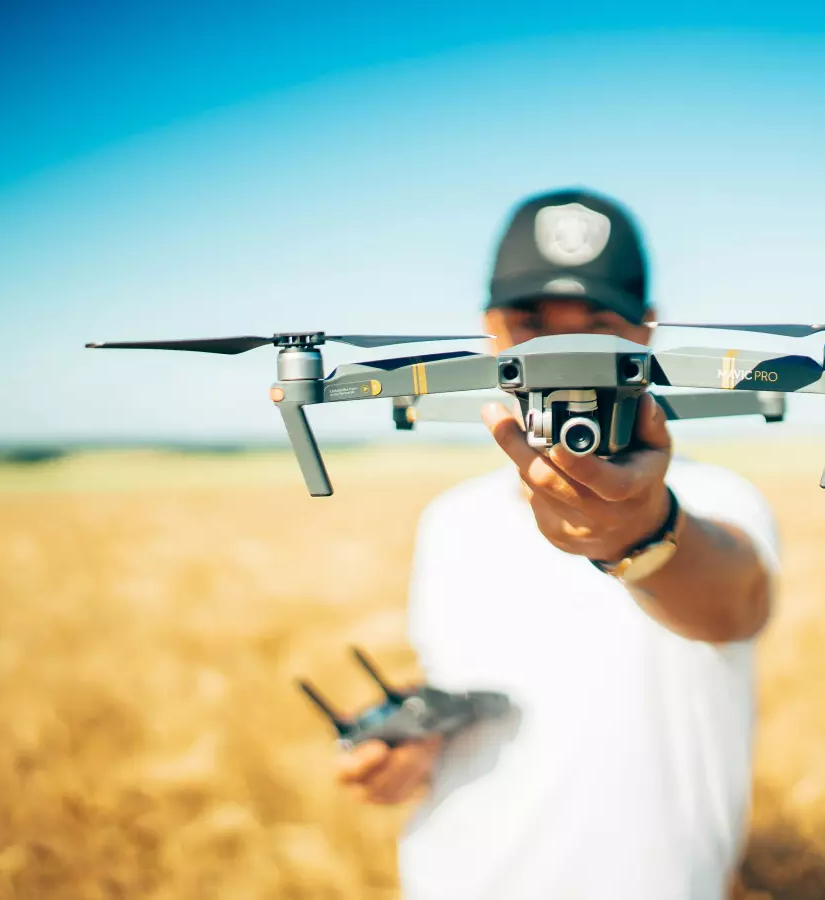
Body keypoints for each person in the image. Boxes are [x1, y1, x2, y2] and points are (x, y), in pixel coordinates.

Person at [334, 187, 781, 900]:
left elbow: (731, 604)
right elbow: (481, 677)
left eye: (595, 328)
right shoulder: (449, 521)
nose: (563, 355)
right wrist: (411, 741)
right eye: (532, 325)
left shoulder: (722, 501)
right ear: (491, 329)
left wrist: (645, 531)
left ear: (645, 331)